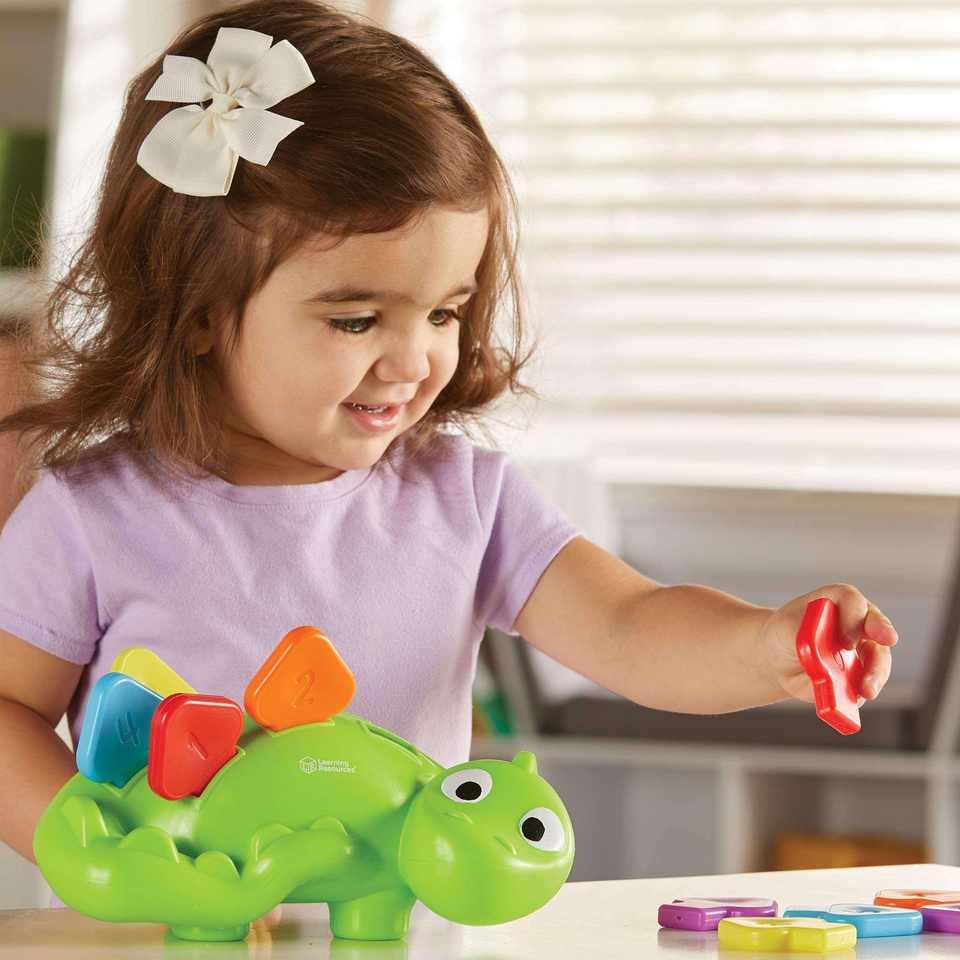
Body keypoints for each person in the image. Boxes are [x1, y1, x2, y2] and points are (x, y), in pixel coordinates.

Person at [0, 0, 897, 922]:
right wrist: (92, 852)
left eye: (443, 312)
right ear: (196, 313)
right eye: (358, 320)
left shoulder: (464, 499)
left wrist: (764, 646)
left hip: (397, 935)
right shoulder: (91, 515)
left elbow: (629, 626)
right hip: (168, 934)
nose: (414, 360)